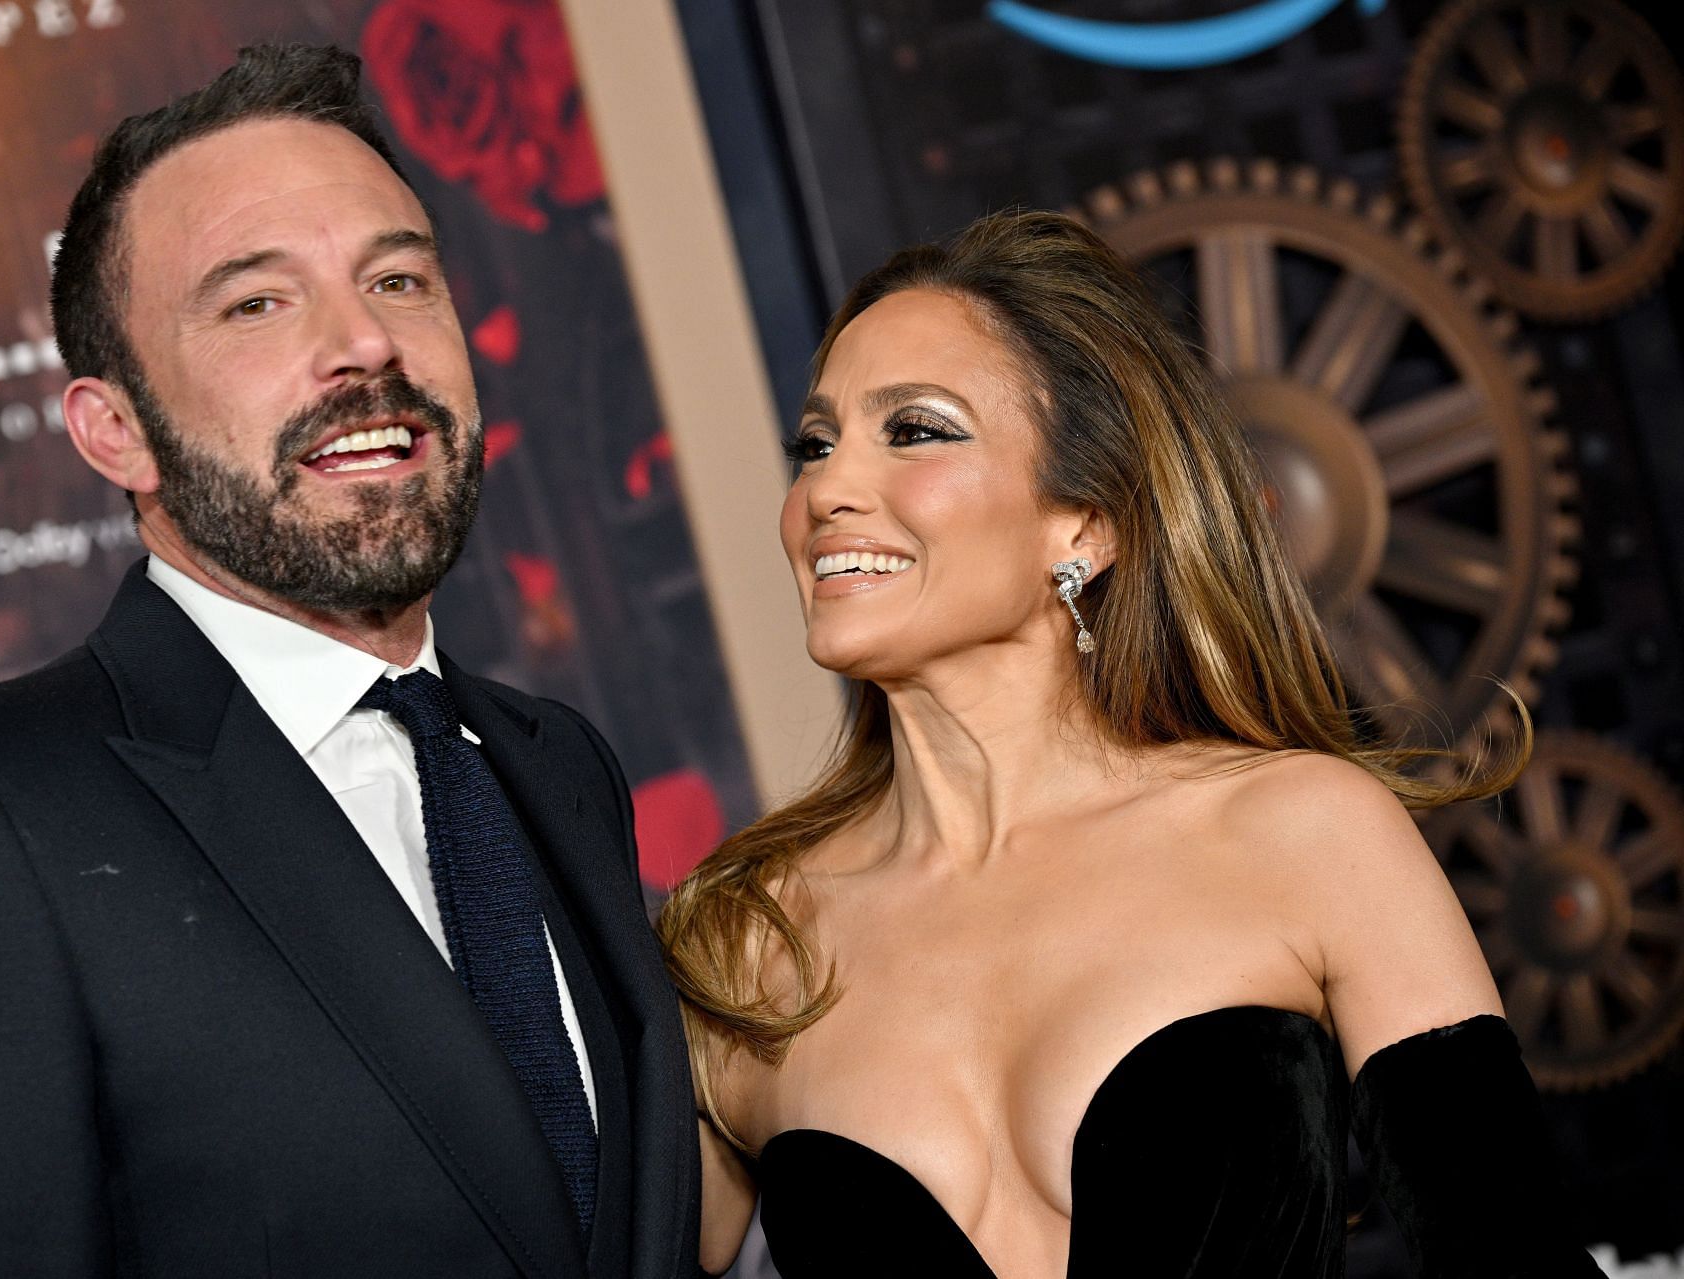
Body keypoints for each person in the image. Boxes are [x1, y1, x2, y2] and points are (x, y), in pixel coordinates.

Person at [0, 44, 698, 1278]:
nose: (364, 342)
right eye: (257, 301)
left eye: (402, 278)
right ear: (117, 432)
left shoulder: (555, 762)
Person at [658, 210, 1602, 1277]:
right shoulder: (748, 944)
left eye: (915, 429)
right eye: (816, 444)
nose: (825, 489)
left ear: (1086, 523)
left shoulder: (1304, 832)